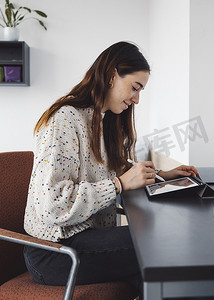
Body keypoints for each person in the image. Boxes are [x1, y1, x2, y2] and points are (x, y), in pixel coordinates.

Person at [23, 41, 199, 296]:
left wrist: (159, 175)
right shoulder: (65, 120)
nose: (137, 99)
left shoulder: (100, 120)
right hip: (54, 251)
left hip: (84, 240)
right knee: (157, 243)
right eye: (135, 88)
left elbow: (109, 169)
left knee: (153, 274)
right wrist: (120, 185)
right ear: (112, 75)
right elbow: (53, 205)